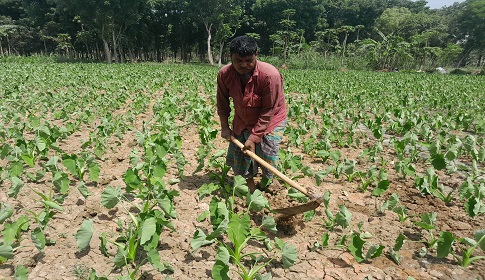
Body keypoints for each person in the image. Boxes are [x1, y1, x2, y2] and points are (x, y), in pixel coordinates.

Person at [216, 35, 287, 193]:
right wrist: (224, 127)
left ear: (256, 55)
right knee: (241, 154)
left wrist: (254, 138)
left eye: (248, 60)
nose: (243, 65)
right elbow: (222, 103)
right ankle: (251, 187)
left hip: (271, 120)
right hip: (243, 118)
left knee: (267, 152)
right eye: (238, 61)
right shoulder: (224, 74)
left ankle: (266, 182)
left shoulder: (270, 76)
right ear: (230, 58)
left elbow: (268, 111)